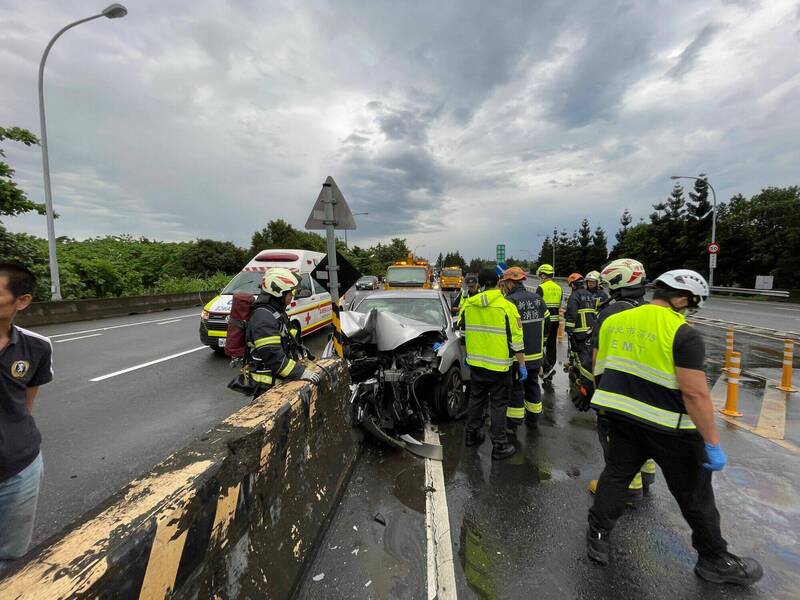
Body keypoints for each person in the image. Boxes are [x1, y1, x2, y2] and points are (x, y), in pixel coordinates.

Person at [586, 269, 763, 585]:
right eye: (692, 304)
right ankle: (714, 559)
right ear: (681, 299)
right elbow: (695, 393)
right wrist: (711, 442)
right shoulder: (683, 334)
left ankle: (598, 535)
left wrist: (608, 409)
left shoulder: (613, 321)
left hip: (621, 418)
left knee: (615, 475)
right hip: (670, 429)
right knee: (695, 495)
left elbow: (599, 367)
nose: (691, 311)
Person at [586, 259, 656, 500]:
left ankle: (629, 488)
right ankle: (646, 477)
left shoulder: (611, 313)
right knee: (643, 436)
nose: (606, 289)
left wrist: (597, 392)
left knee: (615, 440)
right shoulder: (649, 309)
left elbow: (596, 359)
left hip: (617, 388)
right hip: (645, 388)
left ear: (620, 281)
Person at [0, 263, 53, 570]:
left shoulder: (36, 347)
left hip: (19, 469)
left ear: (21, 301)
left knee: (9, 556)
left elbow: (23, 404)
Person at [459, 268, 526, 460]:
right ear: (499, 283)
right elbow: (517, 340)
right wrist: (521, 365)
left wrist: (467, 356)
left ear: (479, 284)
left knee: (476, 399)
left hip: (476, 364)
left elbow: (463, 336)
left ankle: (472, 436)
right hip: (500, 367)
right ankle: (499, 445)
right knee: (498, 404)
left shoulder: (468, 305)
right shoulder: (507, 307)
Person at [245, 268, 319, 396]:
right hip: (266, 385)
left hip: (278, 380)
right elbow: (273, 357)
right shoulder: (263, 317)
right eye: (290, 292)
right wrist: (300, 372)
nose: (292, 296)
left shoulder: (276, 312)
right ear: (278, 292)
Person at [499, 267, 549, 430]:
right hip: (536, 354)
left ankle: (514, 422)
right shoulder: (538, 299)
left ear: (510, 283)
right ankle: (533, 418)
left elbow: (506, 330)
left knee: (516, 388)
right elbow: (547, 325)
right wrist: (542, 343)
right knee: (533, 384)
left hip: (517, 356)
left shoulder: (509, 302)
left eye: (505, 283)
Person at [534, 264, 562, 384]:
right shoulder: (559, 288)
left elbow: (537, 305)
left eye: (541, 275)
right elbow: (560, 305)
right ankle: (550, 369)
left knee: (540, 345)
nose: (540, 277)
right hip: (556, 321)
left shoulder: (541, 287)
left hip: (545, 321)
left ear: (544, 275)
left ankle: (546, 369)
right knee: (552, 346)